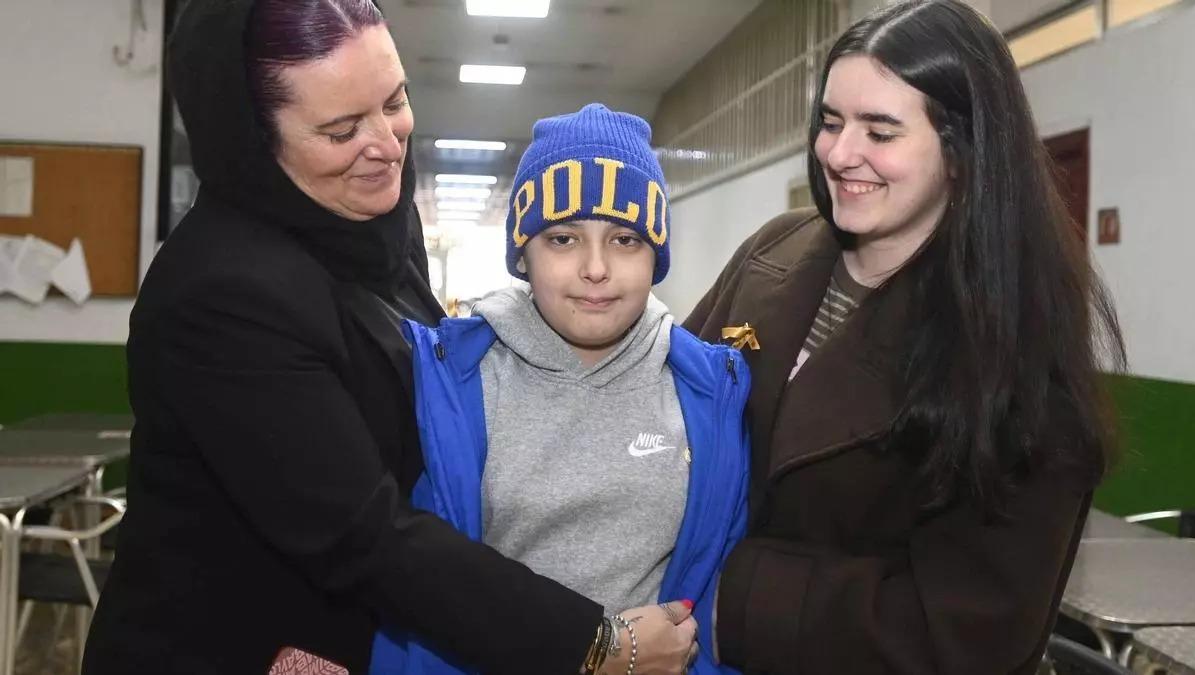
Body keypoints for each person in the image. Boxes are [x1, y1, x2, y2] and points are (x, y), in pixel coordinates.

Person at [82, 2, 693, 673]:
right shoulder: (221, 296)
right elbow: (363, 536)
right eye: (342, 129)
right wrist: (598, 643)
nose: (387, 142)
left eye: (395, 100)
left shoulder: (373, 228)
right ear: (254, 139)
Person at [683, 1, 1126, 673]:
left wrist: (731, 598)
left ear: (960, 150)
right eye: (830, 122)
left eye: (879, 131)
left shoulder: (1018, 354)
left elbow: (966, 632)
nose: (837, 152)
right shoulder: (771, 252)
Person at [369, 103, 749, 675]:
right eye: (564, 239)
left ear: (656, 254)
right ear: (524, 253)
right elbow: (415, 583)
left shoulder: (712, 391)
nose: (596, 268)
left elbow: (720, 585)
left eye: (625, 239)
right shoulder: (447, 381)